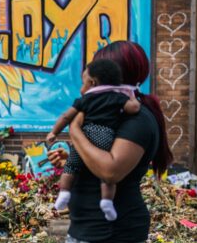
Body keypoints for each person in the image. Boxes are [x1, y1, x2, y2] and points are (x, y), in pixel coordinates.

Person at [57, 40, 172, 243]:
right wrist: (72, 156)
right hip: (83, 225)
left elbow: (110, 169)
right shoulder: (108, 113)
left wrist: (76, 134)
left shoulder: (138, 119)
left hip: (111, 229)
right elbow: (92, 156)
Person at [47, 59, 140, 221]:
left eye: (83, 83)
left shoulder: (85, 100)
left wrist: (54, 133)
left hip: (85, 135)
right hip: (106, 137)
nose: (81, 89)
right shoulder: (117, 97)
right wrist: (132, 97)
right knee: (105, 175)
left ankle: (63, 194)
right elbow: (133, 108)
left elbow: (66, 116)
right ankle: (106, 201)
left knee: (71, 167)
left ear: (92, 83)